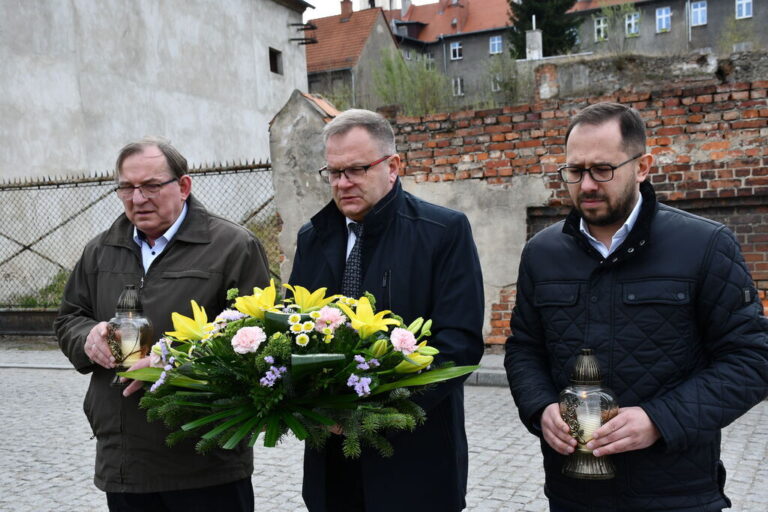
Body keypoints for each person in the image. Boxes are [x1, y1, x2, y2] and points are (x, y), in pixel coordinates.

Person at [504, 102, 768, 511]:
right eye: (574, 171)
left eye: (602, 169)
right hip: (574, 493)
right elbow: (524, 348)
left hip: (678, 493)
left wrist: (660, 420)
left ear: (643, 166)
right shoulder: (541, 253)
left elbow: (751, 359)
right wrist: (540, 408)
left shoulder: (705, 245)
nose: (587, 184)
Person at [55, 137, 270, 512]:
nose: (138, 199)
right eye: (126, 187)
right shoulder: (101, 249)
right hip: (123, 456)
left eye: (152, 186)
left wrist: (173, 362)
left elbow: (257, 338)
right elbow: (70, 316)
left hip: (205, 459)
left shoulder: (233, 247)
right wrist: (85, 337)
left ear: (183, 186)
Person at [288, 109, 484, 511]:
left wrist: (375, 414)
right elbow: (295, 331)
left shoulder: (442, 232)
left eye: (356, 170)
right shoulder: (313, 237)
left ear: (393, 166)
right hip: (331, 462)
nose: (343, 184)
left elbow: (458, 345)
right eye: (334, 172)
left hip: (415, 462)